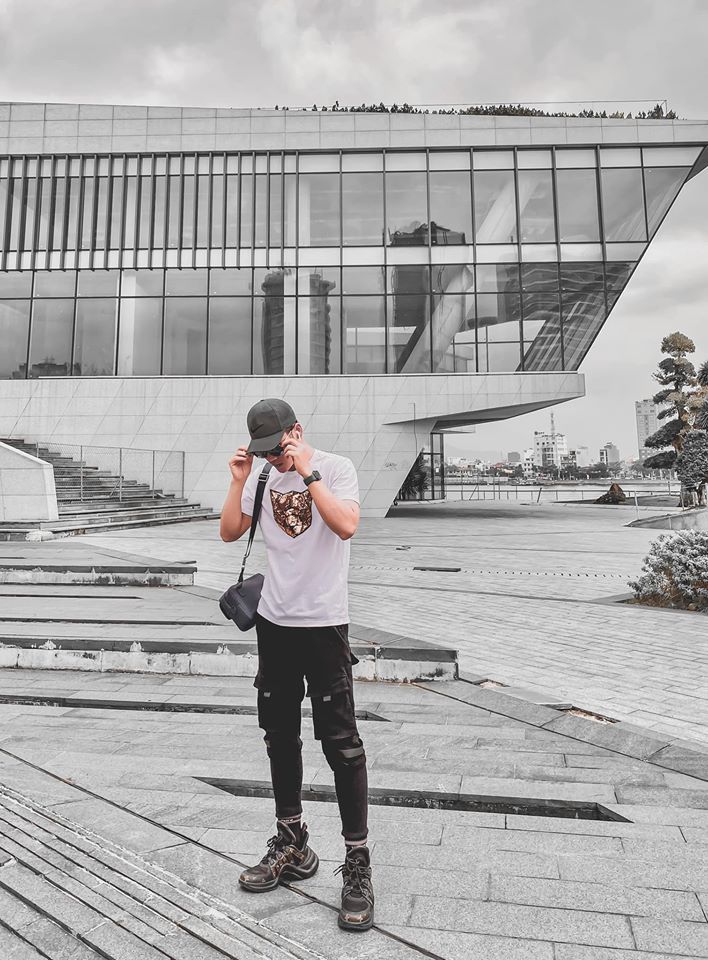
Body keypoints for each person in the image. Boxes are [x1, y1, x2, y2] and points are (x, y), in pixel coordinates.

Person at [220, 397, 374, 932]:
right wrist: (240, 480)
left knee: (341, 743)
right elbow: (229, 532)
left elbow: (346, 525)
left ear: (296, 432)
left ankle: (357, 860)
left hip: (325, 624)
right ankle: (293, 842)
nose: (272, 459)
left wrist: (307, 472)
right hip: (275, 624)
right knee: (280, 736)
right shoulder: (262, 477)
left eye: (277, 449)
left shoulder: (335, 468)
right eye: (263, 452)